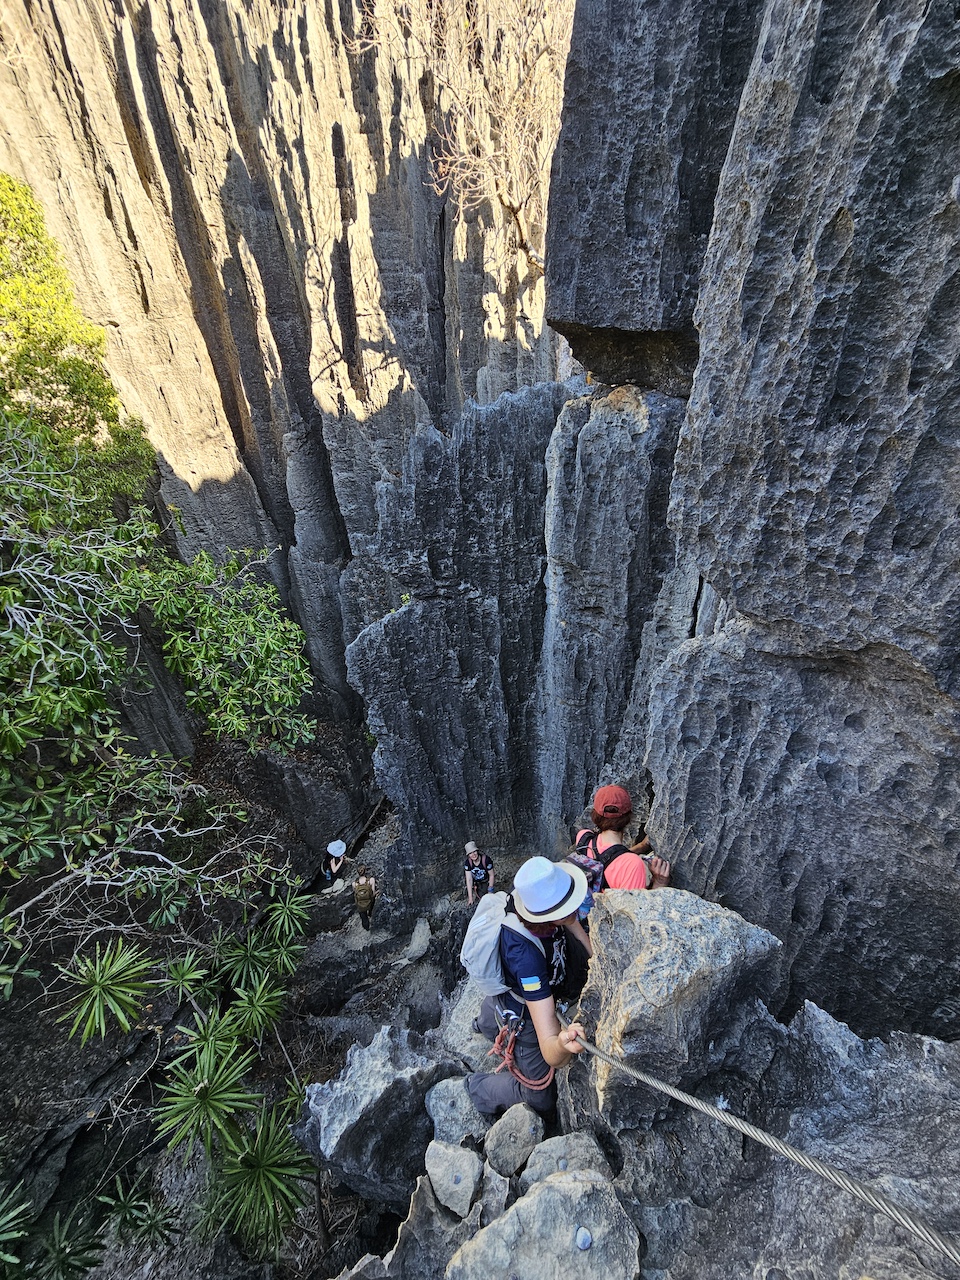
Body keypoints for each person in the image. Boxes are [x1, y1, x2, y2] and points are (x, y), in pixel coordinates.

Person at [466, 857, 590, 1117]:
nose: (575, 906)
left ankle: (485, 1023)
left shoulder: (535, 895)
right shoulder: (526, 958)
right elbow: (550, 1051)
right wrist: (563, 1045)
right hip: (522, 1004)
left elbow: (577, 931)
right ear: (548, 917)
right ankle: (476, 1087)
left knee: (498, 1004)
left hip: (510, 988)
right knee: (540, 1098)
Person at [575, 784, 671, 891]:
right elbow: (636, 907)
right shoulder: (632, 865)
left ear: (595, 815)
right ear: (628, 818)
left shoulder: (583, 837)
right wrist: (660, 882)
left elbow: (607, 857)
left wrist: (642, 846)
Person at [464, 840, 495, 904]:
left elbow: (491, 875)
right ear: (468, 855)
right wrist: (470, 897)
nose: (473, 855)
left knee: (490, 900)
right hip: (477, 884)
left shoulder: (486, 860)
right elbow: (469, 879)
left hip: (486, 882)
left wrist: (490, 890)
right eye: (470, 853)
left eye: (474, 851)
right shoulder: (468, 863)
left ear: (477, 851)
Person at [353, 865, 376, 930]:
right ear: (365, 871)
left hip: (360, 905)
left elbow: (355, 894)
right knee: (373, 899)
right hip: (369, 902)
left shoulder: (354, 884)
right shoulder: (371, 880)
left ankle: (366, 927)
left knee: (363, 915)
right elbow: (373, 893)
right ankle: (371, 913)